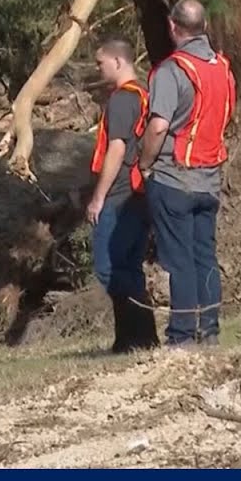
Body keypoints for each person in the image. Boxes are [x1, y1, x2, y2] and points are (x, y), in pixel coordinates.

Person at [137, 0, 236, 347]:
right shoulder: (223, 69)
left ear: (172, 26)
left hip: (174, 177)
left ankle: (181, 337)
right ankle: (209, 332)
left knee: (179, 260)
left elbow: (158, 125)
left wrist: (145, 164)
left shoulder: (171, 70)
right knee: (205, 256)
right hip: (210, 178)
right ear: (205, 26)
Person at [85, 39, 160, 353]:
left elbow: (116, 148)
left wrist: (98, 197)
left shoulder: (121, 100)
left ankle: (141, 333)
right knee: (128, 266)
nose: (98, 69)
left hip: (120, 194)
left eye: (101, 63)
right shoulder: (144, 95)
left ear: (118, 61)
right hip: (141, 193)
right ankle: (130, 340)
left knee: (108, 266)